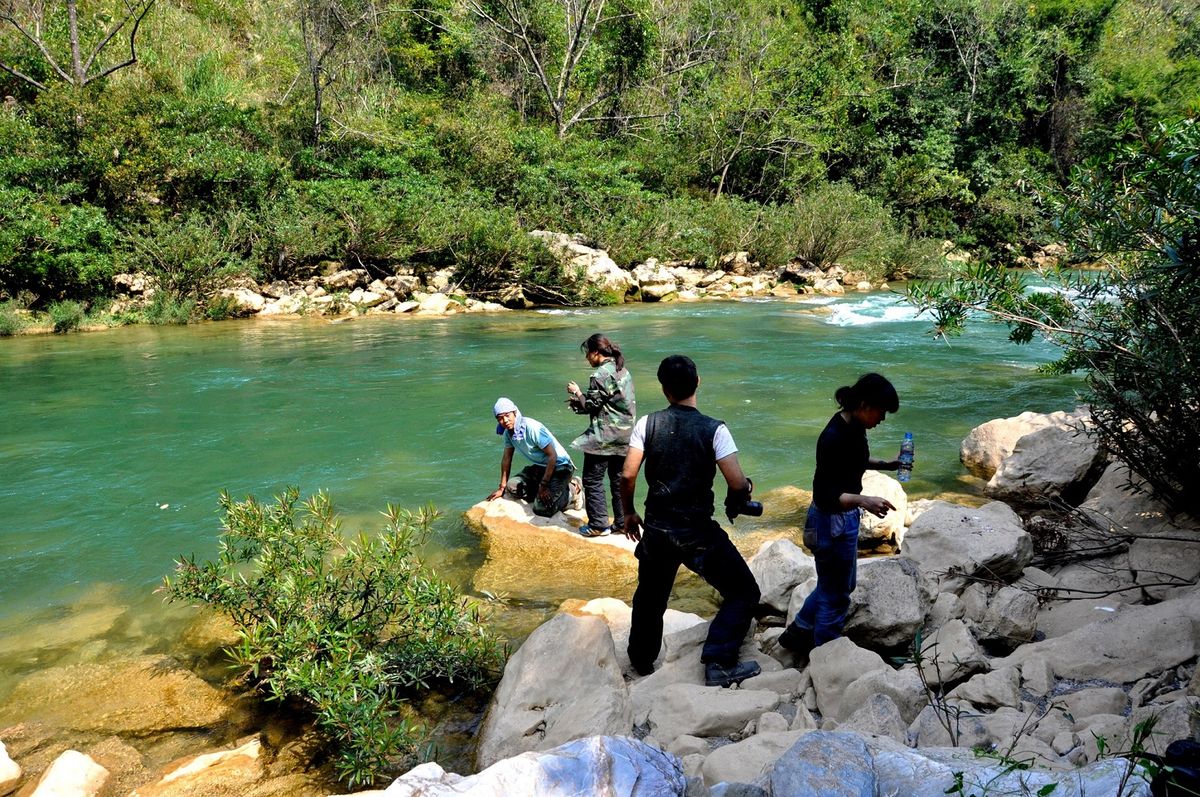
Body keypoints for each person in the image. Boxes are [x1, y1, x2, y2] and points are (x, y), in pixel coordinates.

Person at [620, 355, 763, 688]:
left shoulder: (647, 424)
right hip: (698, 532)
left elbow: (627, 474)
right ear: (697, 382)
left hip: (657, 529)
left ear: (664, 389)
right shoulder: (715, 429)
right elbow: (737, 483)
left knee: (650, 598)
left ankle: (641, 661)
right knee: (743, 592)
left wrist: (628, 512)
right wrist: (742, 495)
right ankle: (718, 661)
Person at [775, 373, 902, 658]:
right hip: (830, 522)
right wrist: (864, 500)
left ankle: (798, 633)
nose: (882, 419)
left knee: (838, 585)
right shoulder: (832, 437)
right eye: (881, 412)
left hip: (841, 520)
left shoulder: (854, 426)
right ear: (865, 404)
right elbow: (827, 496)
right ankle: (826, 658)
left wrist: (887, 464)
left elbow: (854, 459)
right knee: (835, 596)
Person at [566, 333, 637, 538]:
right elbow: (610, 404)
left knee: (592, 480)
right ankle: (622, 523)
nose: (587, 358)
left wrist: (577, 393)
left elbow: (590, 405)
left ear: (596, 353)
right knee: (617, 480)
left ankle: (598, 525)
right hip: (625, 436)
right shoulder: (622, 370)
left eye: (588, 354)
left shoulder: (599, 375)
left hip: (605, 437)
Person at [487, 397, 576, 517]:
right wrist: (501, 487)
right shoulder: (508, 433)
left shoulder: (531, 427)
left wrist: (543, 486)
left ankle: (573, 491)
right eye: (500, 418)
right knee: (512, 487)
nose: (505, 420)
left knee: (542, 509)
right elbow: (506, 458)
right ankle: (546, 490)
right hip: (541, 467)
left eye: (507, 415)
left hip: (560, 466)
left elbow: (552, 456)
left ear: (514, 412)